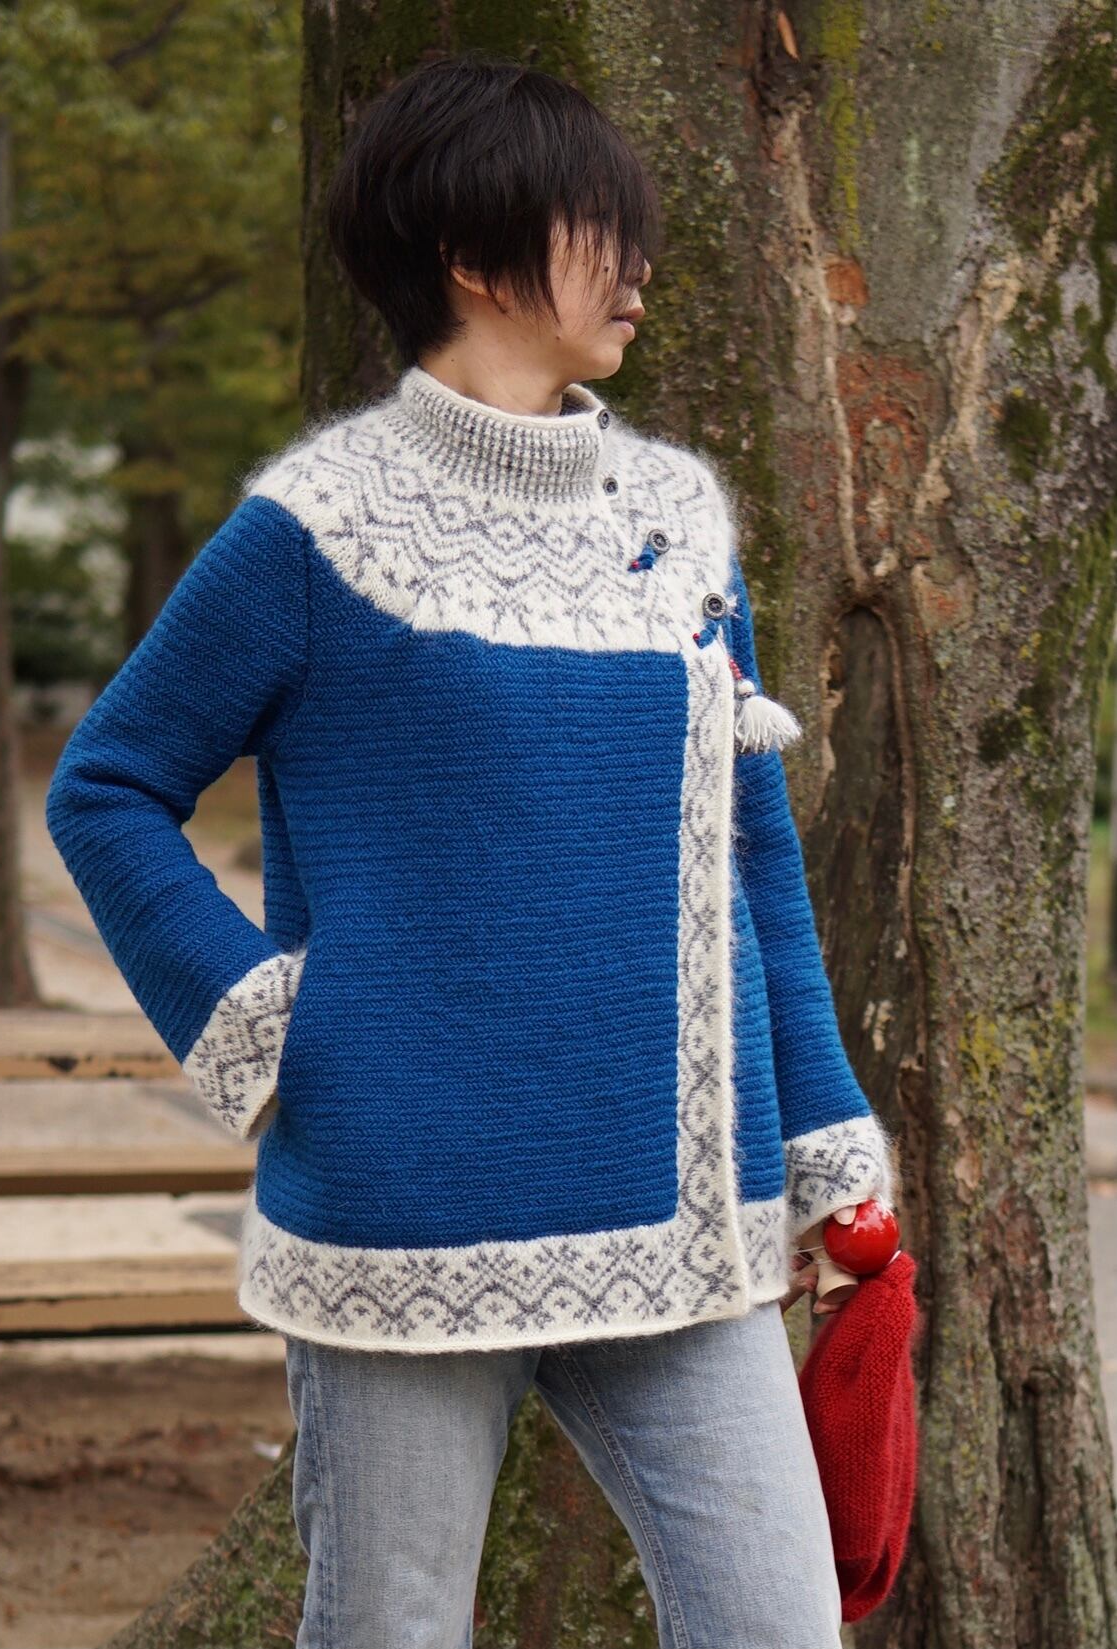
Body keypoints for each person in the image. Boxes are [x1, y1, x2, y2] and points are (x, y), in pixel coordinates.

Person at [45, 48, 899, 1649]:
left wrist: (827, 1139)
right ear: (472, 248)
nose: (641, 267)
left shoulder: (677, 522)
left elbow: (749, 851)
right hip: (402, 1221)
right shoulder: (316, 528)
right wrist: (276, 1032)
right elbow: (107, 786)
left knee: (781, 1624)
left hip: (686, 1233)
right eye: (602, 228)